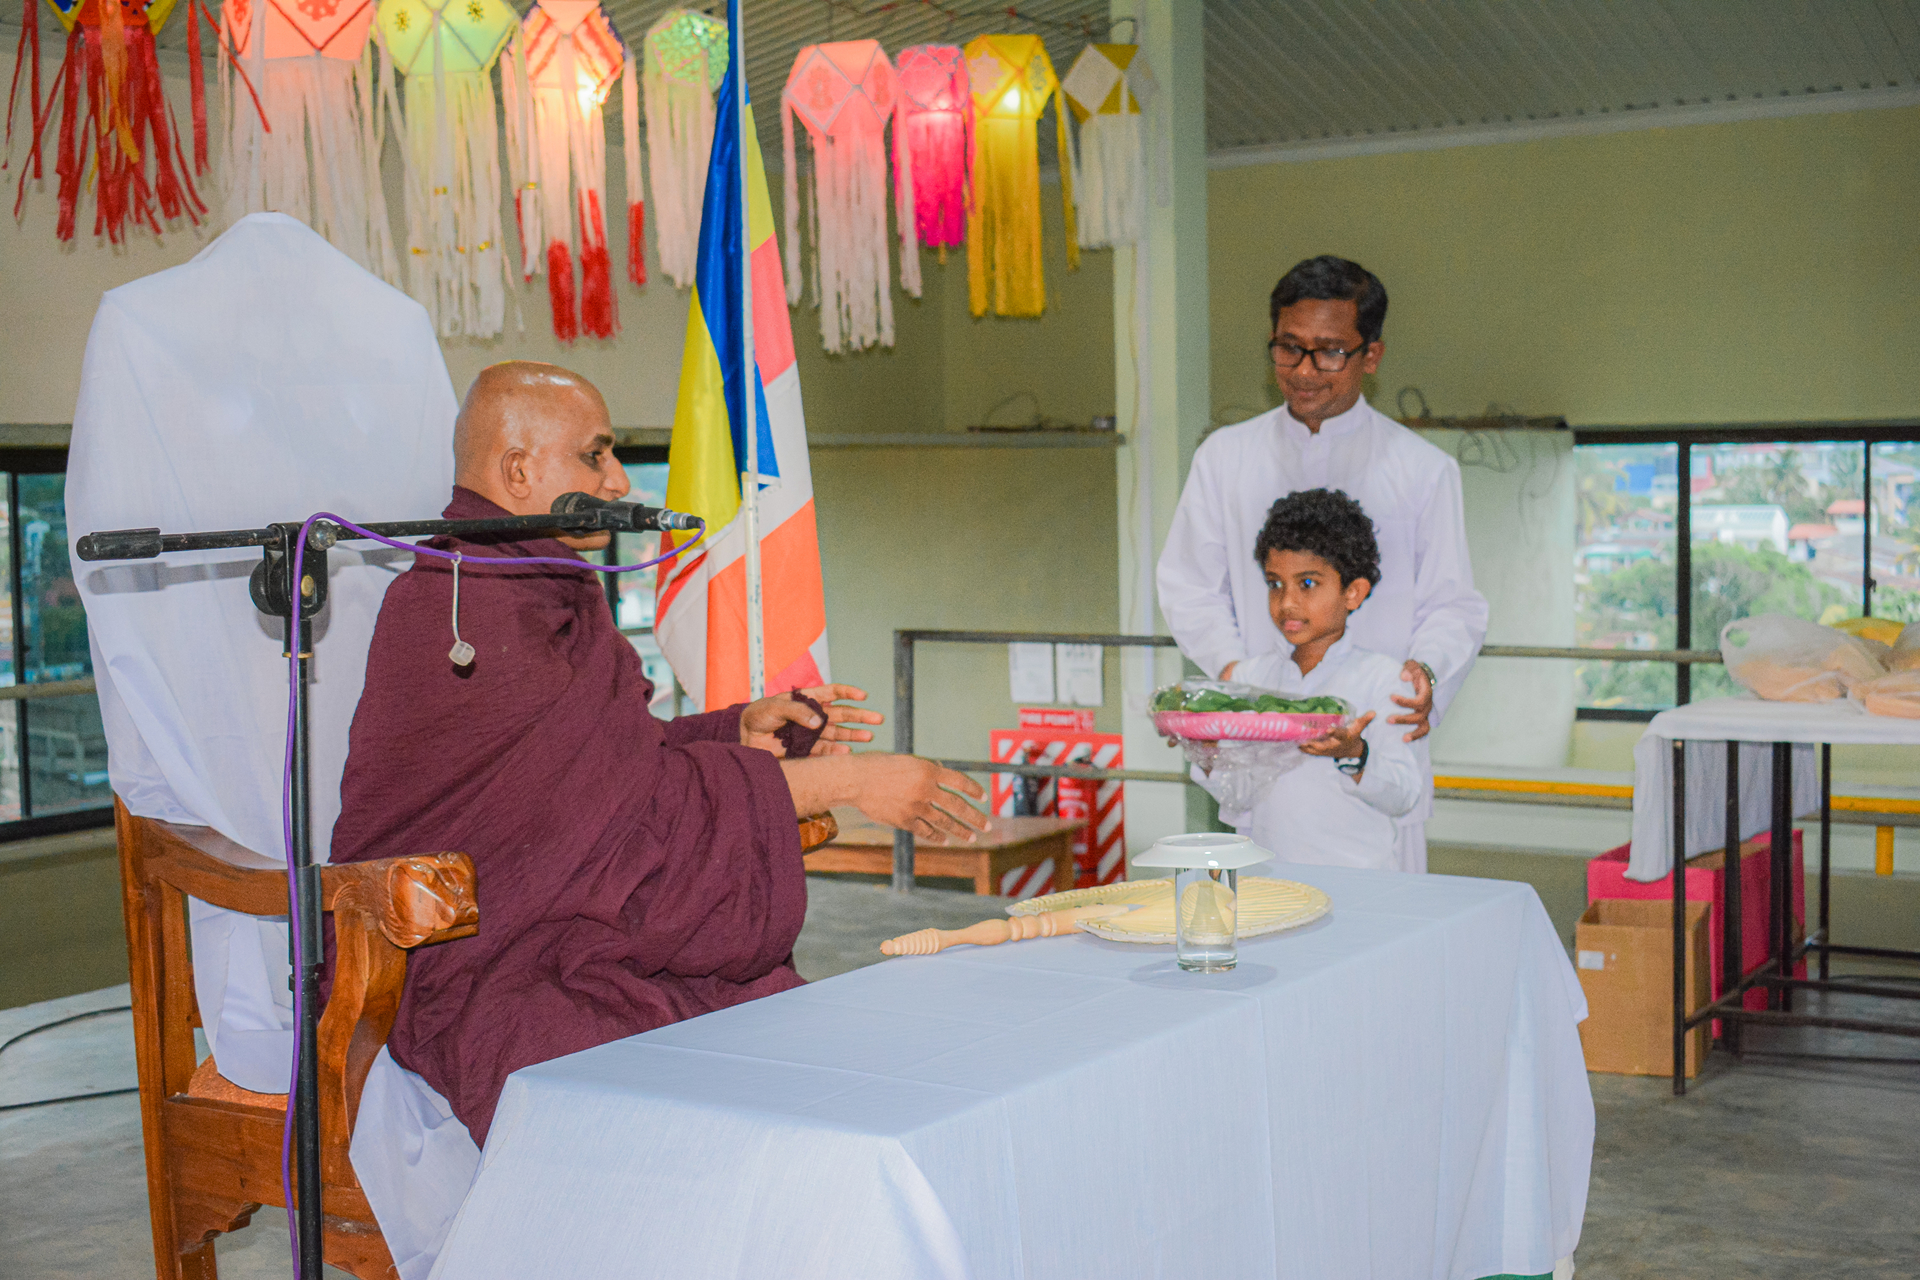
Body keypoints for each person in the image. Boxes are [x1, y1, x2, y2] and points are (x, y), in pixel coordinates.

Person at [330, 361, 988, 1146]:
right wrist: (846, 781)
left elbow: (608, 767)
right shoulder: (457, 608)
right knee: (657, 1107)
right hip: (486, 961)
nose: (617, 482)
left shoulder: (545, 582)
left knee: (784, 1036)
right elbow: (605, 797)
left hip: (575, 928)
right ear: (519, 471)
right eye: (595, 456)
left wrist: (734, 730)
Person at [1156, 255, 1488, 873]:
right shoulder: (1225, 459)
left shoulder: (1422, 469)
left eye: (1331, 352)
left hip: (1378, 753)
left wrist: (1424, 673)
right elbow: (1188, 586)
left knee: (1383, 921)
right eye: (1289, 348)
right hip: (1263, 761)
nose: (1305, 371)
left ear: (1371, 355)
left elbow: (1453, 603)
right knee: (1265, 913)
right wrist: (1239, 679)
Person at [1201, 489, 1420, 872]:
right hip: (1273, 881)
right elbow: (1238, 796)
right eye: (1275, 584)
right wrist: (1206, 751)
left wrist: (1354, 754)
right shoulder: (1251, 679)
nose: (1287, 602)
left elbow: (1403, 795)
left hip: (1361, 883)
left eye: (1307, 584)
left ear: (1353, 592)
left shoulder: (1384, 678)